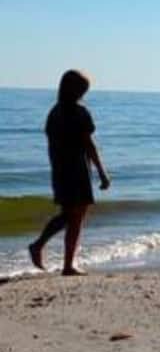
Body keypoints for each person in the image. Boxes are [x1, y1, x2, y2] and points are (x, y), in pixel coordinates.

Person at [28, 70, 111, 275]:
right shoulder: (80, 112)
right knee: (75, 216)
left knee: (68, 215)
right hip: (77, 169)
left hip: (60, 169)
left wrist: (57, 167)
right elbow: (89, 145)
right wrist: (102, 172)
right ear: (74, 90)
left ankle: (50, 253)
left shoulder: (54, 112)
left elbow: (52, 145)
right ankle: (59, 260)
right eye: (83, 89)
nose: (84, 93)